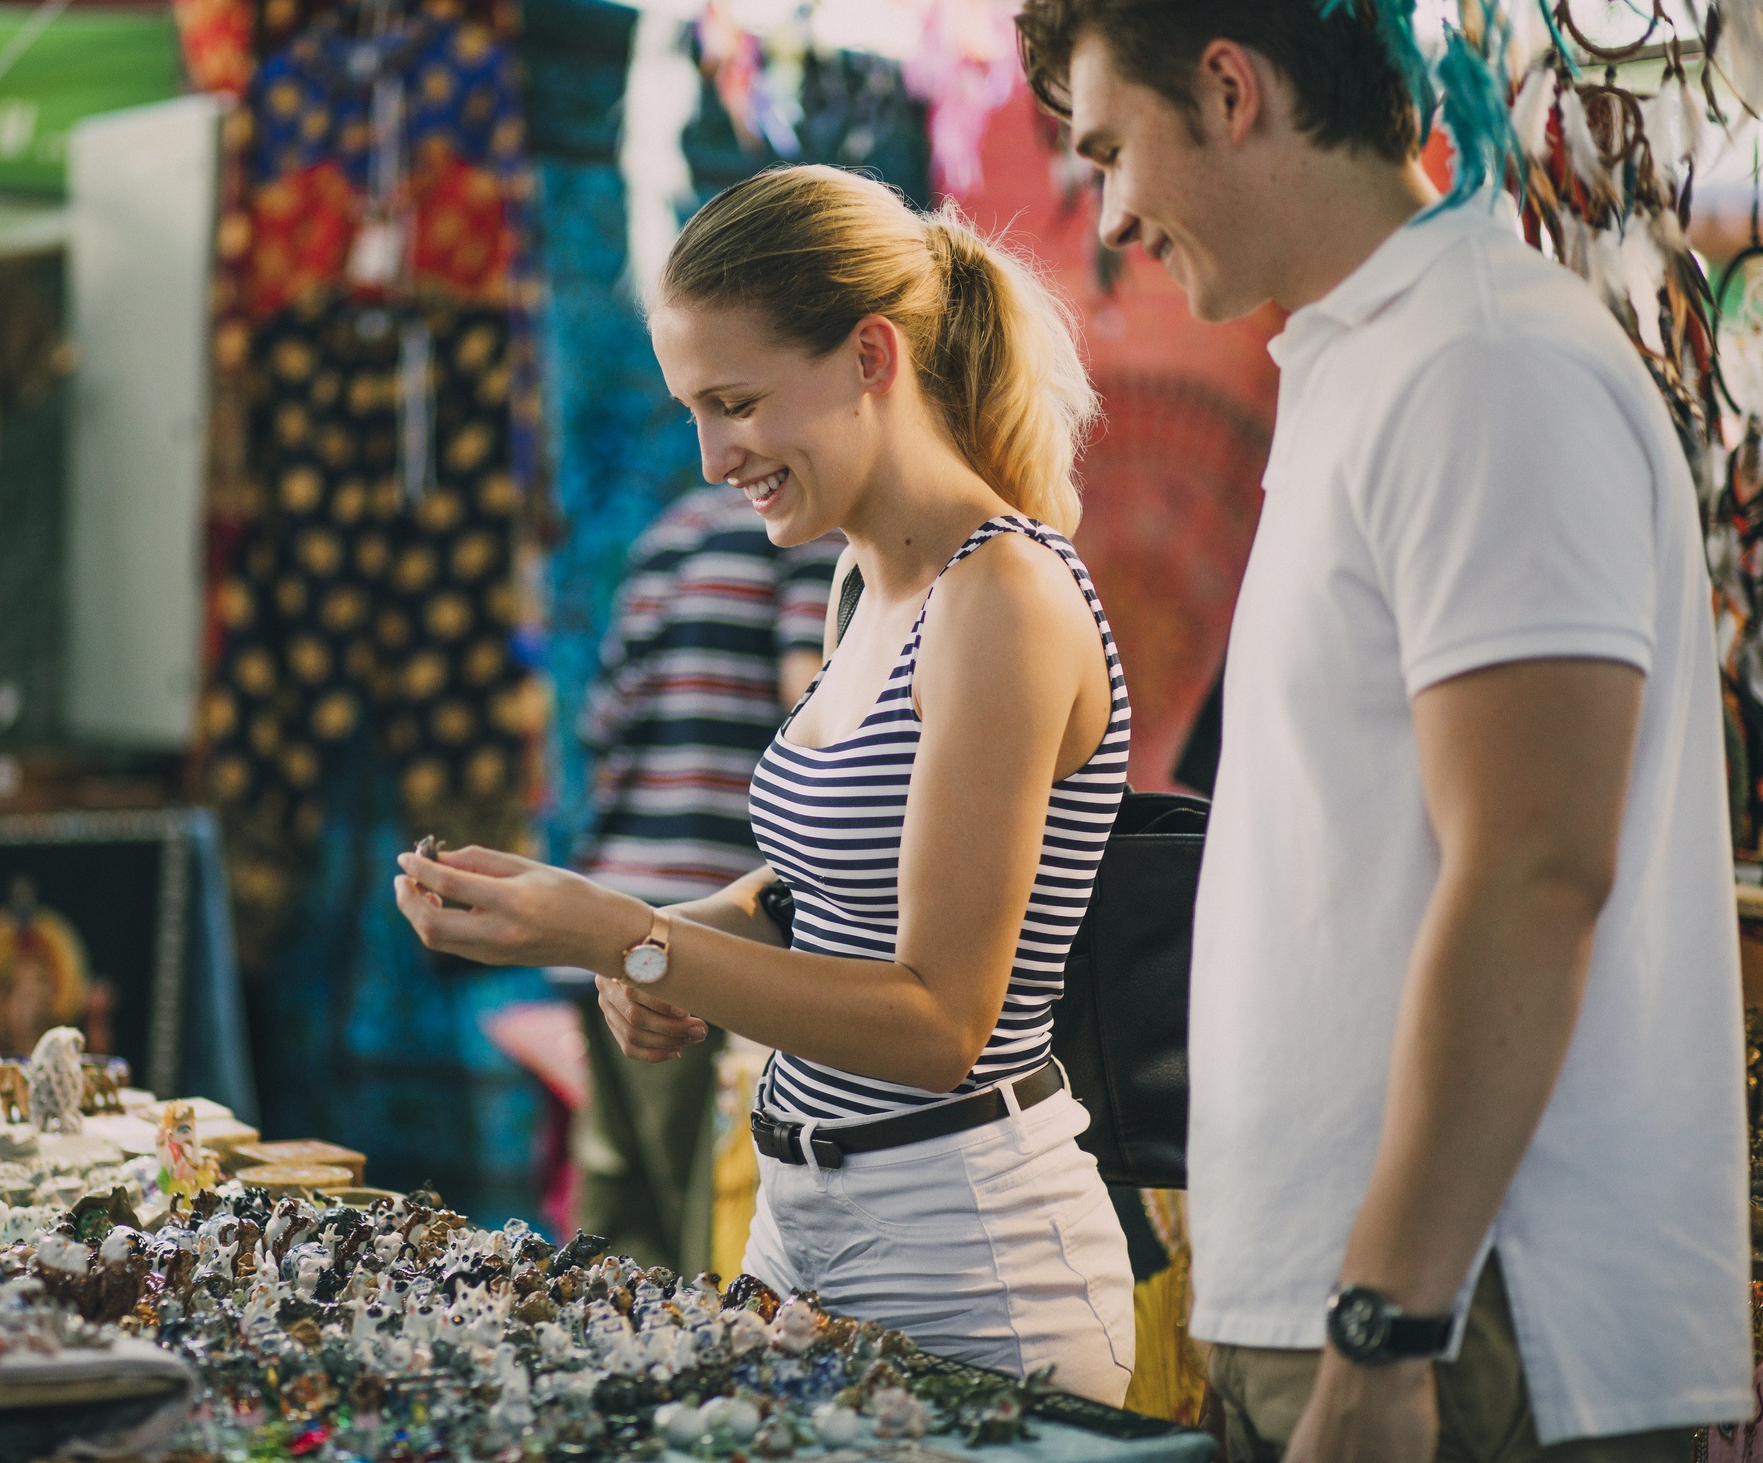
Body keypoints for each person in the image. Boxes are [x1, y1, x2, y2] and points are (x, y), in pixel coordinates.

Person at [1015, 0, 1749, 1457]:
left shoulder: (1482, 365)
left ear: (1229, 89)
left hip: (1468, 1333)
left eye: (1111, 152)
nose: (1110, 218)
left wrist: (1385, 1320)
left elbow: (1536, 868)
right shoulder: (1376, 358)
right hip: (1381, 1313)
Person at [397, 164, 1137, 1402]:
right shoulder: (867, 583)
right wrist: (588, 926)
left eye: (733, 401)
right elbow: (811, 892)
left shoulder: (999, 595)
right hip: (806, 1224)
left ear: (867, 356)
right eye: (693, 408)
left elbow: (936, 1023)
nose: (707, 456)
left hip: (966, 1257)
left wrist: (632, 940)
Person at [570, 483, 840, 1275]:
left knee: (616, 1243)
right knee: (704, 1239)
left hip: (619, 914)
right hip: (717, 931)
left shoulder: (665, 535)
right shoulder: (809, 537)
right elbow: (814, 705)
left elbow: (603, 723)